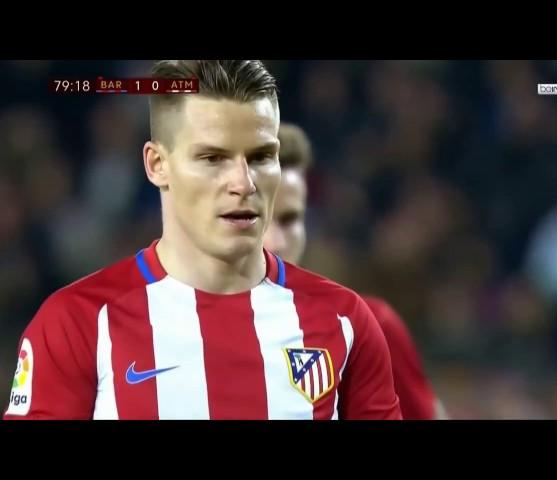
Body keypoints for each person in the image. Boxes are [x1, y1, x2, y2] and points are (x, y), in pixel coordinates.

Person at [4, 60, 401, 420]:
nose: (243, 183)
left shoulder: (344, 319)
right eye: (213, 158)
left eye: (262, 157)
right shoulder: (78, 323)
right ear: (158, 165)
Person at [264, 123, 447, 419]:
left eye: (288, 219)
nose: (275, 241)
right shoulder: (176, 328)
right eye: (259, 218)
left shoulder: (371, 327)